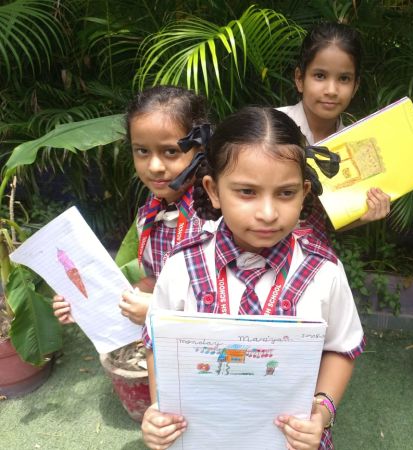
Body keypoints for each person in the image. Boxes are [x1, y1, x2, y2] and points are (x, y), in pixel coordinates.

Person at [140, 107, 364, 450]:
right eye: (247, 192)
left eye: (286, 193)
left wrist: (322, 413)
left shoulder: (324, 272)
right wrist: (160, 408)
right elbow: (158, 343)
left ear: (305, 192)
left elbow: (340, 347)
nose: (268, 213)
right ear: (214, 191)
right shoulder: (181, 266)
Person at [52, 85, 211, 326]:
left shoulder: (215, 217)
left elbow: (230, 302)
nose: (154, 166)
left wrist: (157, 310)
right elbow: (156, 280)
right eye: (142, 151)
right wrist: (89, 306)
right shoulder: (150, 215)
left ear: (200, 150)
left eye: (171, 151)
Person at [277, 21, 391, 240]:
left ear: (355, 86)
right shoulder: (269, 128)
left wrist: (364, 215)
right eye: (320, 76)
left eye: (344, 79)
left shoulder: (356, 149)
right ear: (300, 79)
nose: (331, 90)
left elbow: (331, 221)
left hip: (311, 252)